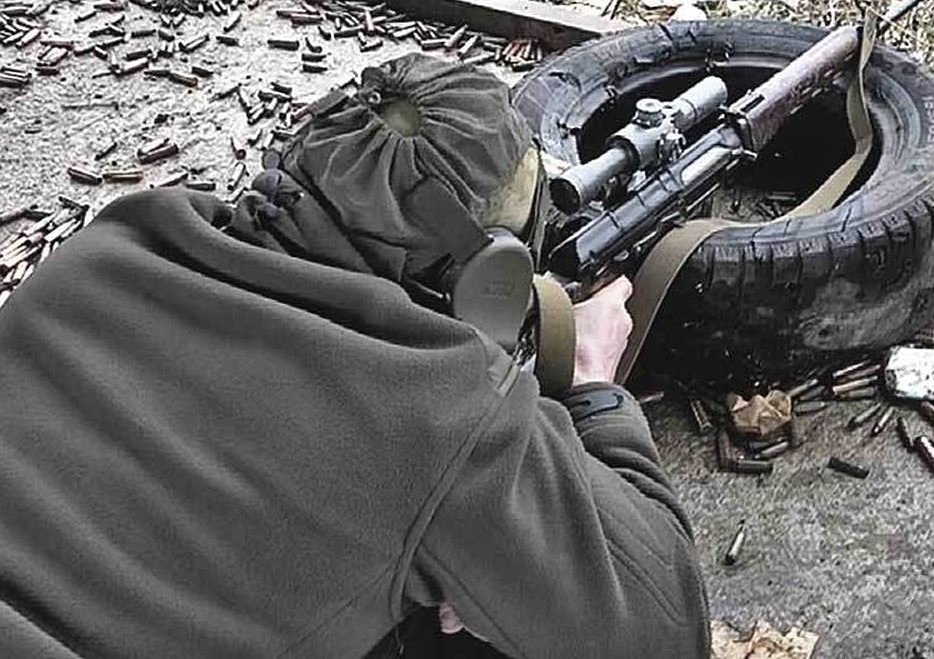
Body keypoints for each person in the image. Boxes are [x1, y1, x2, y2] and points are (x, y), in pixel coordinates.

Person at [0, 53, 710, 659]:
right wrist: (591, 389)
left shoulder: (110, 248)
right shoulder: (436, 411)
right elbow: (668, 628)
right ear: (487, 284)